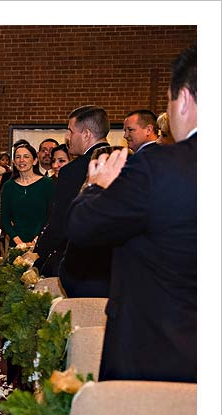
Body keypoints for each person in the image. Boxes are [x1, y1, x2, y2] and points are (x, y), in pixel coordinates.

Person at [66, 46, 196, 383]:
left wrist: (95, 187)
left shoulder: (157, 168)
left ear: (182, 100)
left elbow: (82, 227)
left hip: (159, 352)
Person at [33, 105, 111, 278]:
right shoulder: (127, 163)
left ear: (86, 134)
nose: (67, 137)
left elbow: (61, 219)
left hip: (78, 260)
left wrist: (39, 256)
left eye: (70, 131)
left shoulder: (73, 170)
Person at [0, 142, 55, 249]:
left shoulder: (47, 184)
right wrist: (19, 243)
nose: (21, 160)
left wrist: (36, 241)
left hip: (41, 243)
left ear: (34, 161)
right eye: (18, 157)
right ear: (14, 162)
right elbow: (5, 219)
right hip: (16, 245)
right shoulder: (8, 186)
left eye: (26, 157)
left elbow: (51, 216)